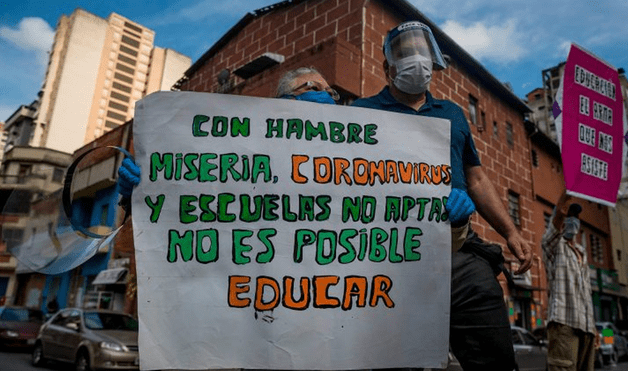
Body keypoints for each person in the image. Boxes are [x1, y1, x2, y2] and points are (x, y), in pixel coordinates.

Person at [351, 21, 533, 371]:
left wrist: (511, 232)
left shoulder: (452, 113)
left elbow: (476, 178)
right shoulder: (362, 113)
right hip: (390, 254)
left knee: (491, 345)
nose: (415, 60)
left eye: (422, 51)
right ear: (387, 65)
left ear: (433, 60)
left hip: (457, 248)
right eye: (405, 53)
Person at [117, 66, 340, 195]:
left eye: (331, 92)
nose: (326, 96)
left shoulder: (354, 158)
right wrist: (146, 188)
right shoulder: (247, 152)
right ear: (283, 102)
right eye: (313, 88)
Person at [541, 190, 598, 371]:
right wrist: (566, 194)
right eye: (569, 215)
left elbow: (586, 294)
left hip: (587, 327)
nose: (572, 220)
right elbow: (557, 220)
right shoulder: (555, 246)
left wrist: (594, 328)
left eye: (576, 217)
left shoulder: (582, 252)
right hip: (564, 324)